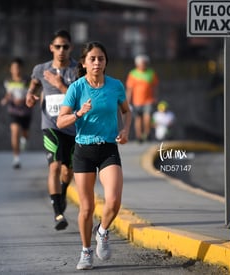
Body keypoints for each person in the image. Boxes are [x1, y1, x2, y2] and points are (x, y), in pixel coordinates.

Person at [57, 41, 132, 270]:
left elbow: (127, 112)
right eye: (92, 59)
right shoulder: (77, 88)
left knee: (113, 200)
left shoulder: (115, 86)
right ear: (84, 63)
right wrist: (79, 113)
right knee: (87, 208)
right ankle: (86, 251)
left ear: (106, 62)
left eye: (101, 58)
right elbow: (61, 121)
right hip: (84, 151)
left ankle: (102, 231)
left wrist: (125, 129)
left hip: (108, 147)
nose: (97, 62)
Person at [26, 30, 77, 230]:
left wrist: (60, 85)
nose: (61, 50)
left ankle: (62, 193)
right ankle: (58, 213)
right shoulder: (41, 69)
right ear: (51, 48)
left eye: (65, 46)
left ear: (70, 48)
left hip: (73, 128)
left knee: (68, 170)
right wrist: (30, 94)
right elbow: (34, 84)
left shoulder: (78, 70)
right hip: (51, 126)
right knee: (55, 167)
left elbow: (81, 97)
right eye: (58, 46)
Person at [1, 57, 32, 169]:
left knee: (25, 133)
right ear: (10, 69)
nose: (16, 70)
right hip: (13, 111)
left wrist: (23, 100)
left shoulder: (27, 81)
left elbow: (31, 94)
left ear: (21, 68)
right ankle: (16, 158)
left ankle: (24, 139)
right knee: (14, 132)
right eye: (14, 68)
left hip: (25, 112)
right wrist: (6, 99)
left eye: (18, 67)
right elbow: (8, 94)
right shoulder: (8, 81)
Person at [126, 54, 159, 143]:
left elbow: (155, 86)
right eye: (141, 63)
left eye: (144, 63)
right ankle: (139, 136)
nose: (143, 65)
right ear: (137, 64)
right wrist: (127, 102)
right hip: (137, 101)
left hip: (149, 100)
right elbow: (130, 89)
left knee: (147, 117)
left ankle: (147, 134)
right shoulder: (133, 74)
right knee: (138, 119)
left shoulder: (151, 73)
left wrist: (155, 97)